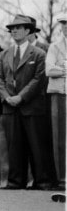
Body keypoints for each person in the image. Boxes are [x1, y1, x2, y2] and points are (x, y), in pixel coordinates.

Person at [0, 14, 54, 190]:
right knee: (14, 146)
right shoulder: (4, 54)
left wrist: (21, 97)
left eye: (18, 28)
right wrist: (7, 97)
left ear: (28, 30)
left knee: (37, 146)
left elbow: (38, 80)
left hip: (32, 107)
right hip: (10, 108)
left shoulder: (39, 53)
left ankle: (41, 182)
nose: (14, 31)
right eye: (12, 28)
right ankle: (15, 181)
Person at [46, 13, 67, 191]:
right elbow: (49, 70)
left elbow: (57, 68)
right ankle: (62, 179)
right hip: (59, 95)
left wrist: (62, 67)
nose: (66, 26)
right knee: (60, 138)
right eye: (64, 23)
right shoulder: (54, 47)